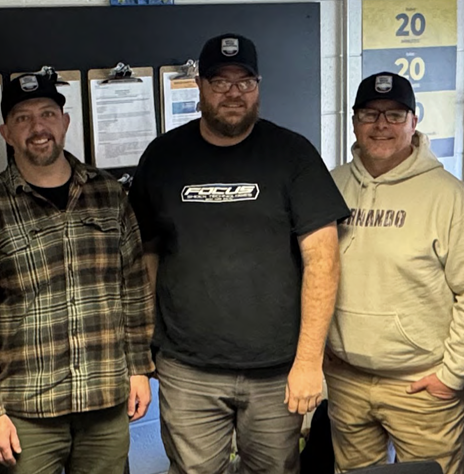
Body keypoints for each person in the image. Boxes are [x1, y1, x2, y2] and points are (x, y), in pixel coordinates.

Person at [129, 33, 349, 474]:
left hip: (276, 370)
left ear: (258, 86)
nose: (233, 93)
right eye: (220, 82)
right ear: (199, 87)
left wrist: (309, 361)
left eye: (245, 82)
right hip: (187, 369)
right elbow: (145, 257)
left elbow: (323, 260)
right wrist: (146, 345)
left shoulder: (293, 155)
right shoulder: (164, 157)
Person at [0, 73, 155, 474]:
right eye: (23, 118)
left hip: (105, 398)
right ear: (6, 133)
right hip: (27, 413)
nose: (38, 127)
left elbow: (134, 288)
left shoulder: (109, 194)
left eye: (47, 114)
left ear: (64, 122)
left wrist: (139, 368)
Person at [326, 72, 464, 474]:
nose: (381, 125)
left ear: (413, 121)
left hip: (420, 385)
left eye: (395, 115)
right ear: (354, 122)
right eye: (369, 114)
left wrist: (452, 375)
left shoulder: (450, 199)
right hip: (346, 381)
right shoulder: (331, 186)